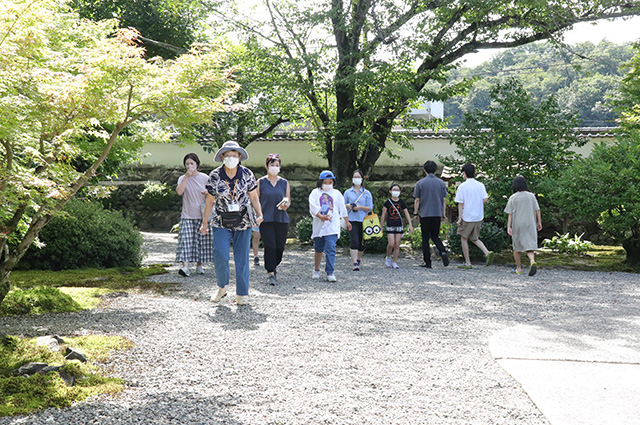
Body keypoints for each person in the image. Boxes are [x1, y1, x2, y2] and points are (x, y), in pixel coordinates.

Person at [200, 141, 264, 305]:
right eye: (228, 155)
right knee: (220, 254)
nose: (231, 158)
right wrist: (204, 223)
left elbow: (254, 197)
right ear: (222, 156)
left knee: (242, 257)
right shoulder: (215, 175)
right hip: (220, 220)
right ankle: (222, 287)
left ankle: (242, 293)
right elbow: (209, 201)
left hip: (243, 221)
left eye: (234, 155)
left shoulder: (247, 174)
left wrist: (259, 214)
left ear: (239, 157)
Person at [175, 153, 213, 277]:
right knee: (186, 241)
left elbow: (213, 194)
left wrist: (207, 192)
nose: (189, 166)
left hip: (202, 214)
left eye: (192, 163)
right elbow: (179, 192)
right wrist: (187, 176)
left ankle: (199, 265)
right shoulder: (182, 178)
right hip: (187, 215)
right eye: (187, 164)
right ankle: (185, 267)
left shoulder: (204, 177)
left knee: (201, 241)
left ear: (197, 164)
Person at [309, 170, 351, 281]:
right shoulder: (315, 193)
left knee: (331, 248)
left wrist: (347, 221)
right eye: (325, 182)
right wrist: (321, 216)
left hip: (332, 225)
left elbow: (342, 209)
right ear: (321, 182)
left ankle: (330, 272)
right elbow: (313, 207)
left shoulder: (337, 194)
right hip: (319, 225)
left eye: (330, 182)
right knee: (318, 248)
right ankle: (317, 269)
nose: (328, 184)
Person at [256, 153, 290, 285]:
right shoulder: (260, 182)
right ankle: (270, 272)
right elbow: (256, 200)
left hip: (282, 218)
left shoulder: (284, 183)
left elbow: (288, 199)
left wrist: (286, 205)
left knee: (279, 247)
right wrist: (258, 215)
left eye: (277, 165)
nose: (274, 167)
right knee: (269, 245)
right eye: (272, 165)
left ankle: (274, 265)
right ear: (266, 166)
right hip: (266, 219)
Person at [454, 163, 494, 269]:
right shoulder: (480, 185)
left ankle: (468, 263)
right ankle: (487, 252)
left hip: (467, 216)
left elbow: (460, 204)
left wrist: (459, 219)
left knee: (464, 238)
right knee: (474, 238)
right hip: (478, 216)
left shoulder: (462, 186)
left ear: (465, 173)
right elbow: (485, 199)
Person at [413, 160, 449, 269]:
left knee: (425, 238)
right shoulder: (441, 183)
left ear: (425, 170)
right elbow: (444, 200)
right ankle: (442, 251)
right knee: (435, 235)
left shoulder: (420, 183)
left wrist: (415, 213)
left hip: (425, 213)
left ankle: (427, 262)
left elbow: (417, 200)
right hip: (437, 213)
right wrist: (443, 213)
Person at [505, 176, 542, 276]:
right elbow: (537, 209)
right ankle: (532, 260)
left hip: (518, 224)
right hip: (530, 223)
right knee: (529, 245)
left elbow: (510, 214)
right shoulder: (531, 196)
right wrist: (539, 222)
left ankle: (518, 268)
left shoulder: (513, 197)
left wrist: (509, 226)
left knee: (517, 247)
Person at [343, 169, 373, 271]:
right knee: (354, 241)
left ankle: (358, 258)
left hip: (364, 220)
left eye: (358, 177)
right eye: (355, 177)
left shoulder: (366, 193)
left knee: (362, 244)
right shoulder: (347, 192)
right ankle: (354, 262)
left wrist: (360, 207)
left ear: (362, 178)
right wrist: (348, 206)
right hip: (352, 219)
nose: (356, 179)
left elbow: (370, 207)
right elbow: (342, 205)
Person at [380, 183, 413, 269]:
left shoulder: (402, 202)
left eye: (397, 190)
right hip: (390, 224)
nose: (396, 191)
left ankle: (395, 261)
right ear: (390, 191)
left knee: (397, 244)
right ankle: (388, 257)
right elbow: (383, 214)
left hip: (398, 224)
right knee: (391, 243)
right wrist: (381, 226)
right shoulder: (387, 202)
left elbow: (406, 213)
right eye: (394, 190)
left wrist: (410, 224)